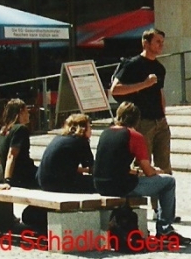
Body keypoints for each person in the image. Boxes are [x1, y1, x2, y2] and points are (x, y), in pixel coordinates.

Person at [94, 101, 189, 245]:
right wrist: (156, 171)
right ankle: (165, 228)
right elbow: (148, 171)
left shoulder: (106, 133)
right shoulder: (134, 136)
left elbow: (113, 164)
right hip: (120, 187)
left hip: (100, 184)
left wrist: (135, 172)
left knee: (157, 181)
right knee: (168, 182)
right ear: (137, 119)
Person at [110, 29, 171, 173]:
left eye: (162, 42)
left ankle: (165, 194)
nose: (161, 45)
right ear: (145, 43)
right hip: (141, 121)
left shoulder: (160, 68)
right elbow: (115, 90)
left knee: (164, 167)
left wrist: (164, 116)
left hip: (160, 121)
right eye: (157, 42)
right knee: (142, 165)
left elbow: (160, 93)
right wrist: (144, 84)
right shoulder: (131, 64)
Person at [0, 99, 37, 189]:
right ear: (20, 112)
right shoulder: (21, 129)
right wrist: (7, 181)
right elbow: (11, 155)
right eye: (26, 111)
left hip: (14, 177)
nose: (28, 114)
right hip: (24, 177)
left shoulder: (3, 130)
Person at [37, 113, 94, 194]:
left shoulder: (59, 138)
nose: (91, 130)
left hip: (43, 181)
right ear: (83, 128)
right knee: (96, 183)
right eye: (89, 127)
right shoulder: (80, 141)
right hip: (58, 183)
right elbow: (93, 168)